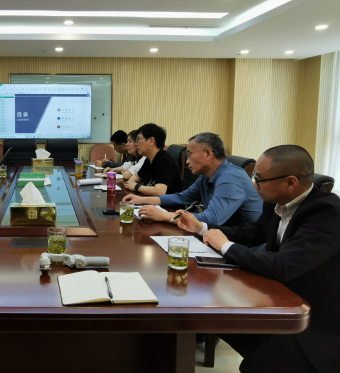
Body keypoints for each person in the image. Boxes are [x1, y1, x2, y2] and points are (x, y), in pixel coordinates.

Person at [175, 145, 340, 373]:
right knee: (213, 317)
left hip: (314, 322)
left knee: (256, 365)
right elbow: (254, 233)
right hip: (279, 298)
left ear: (291, 182)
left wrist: (225, 246)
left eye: (259, 179)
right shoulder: (276, 200)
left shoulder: (326, 213)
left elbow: (282, 266)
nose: (254, 185)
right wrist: (202, 228)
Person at [123, 132, 262, 225]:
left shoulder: (230, 178)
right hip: (221, 238)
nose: (187, 161)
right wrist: (141, 200)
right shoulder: (206, 175)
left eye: (190, 154)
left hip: (244, 248)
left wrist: (164, 216)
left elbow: (212, 219)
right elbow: (182, 197)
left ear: (208, 153)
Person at [124, 123, 183, 196]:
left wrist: (136, 186)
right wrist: (131, 182)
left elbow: (159, 192)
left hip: (169, 203)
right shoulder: (148, 159)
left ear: (151, 141)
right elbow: (137, 177)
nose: (136, 144)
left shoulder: (165, 162)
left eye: (138, 139)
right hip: (151, 200)